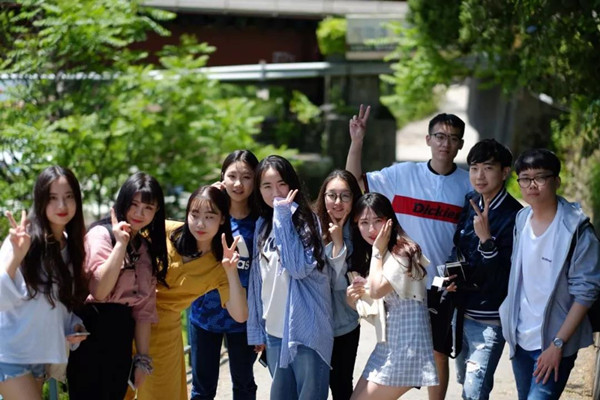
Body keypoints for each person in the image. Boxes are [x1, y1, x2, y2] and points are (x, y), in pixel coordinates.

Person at [346, 105, 472, 400]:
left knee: (438, 353)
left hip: (441, 284)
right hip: (403, 280)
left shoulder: (468, 184)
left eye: (453, 138)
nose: (445, 143)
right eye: (439, 136)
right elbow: (354, 183)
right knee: (396, 345)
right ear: (428, 140)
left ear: (460, 145)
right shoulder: (403, 174)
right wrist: (357, 142)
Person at [499, 148, 600, 399]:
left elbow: (586, 292)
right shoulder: (521, 219)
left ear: (556, 181)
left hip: (555, 343)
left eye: (540, 177)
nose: (532, 185)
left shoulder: (577, 229)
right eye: (525, 179)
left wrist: (558, 344)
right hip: (521, 339)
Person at [136, 185, 248, 400]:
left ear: (222, 219)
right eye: (194, 215)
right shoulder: (167, 230)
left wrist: (231, 271)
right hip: (128, 317)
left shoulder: (219, 263)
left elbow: (240, 314)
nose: (200, 224)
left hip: (164, 332)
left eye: (209, 216)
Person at [67, 172, 168, 400]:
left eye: (148, 208)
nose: (139, 213)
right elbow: (99, 291)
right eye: (134, 204)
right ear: (123, 201)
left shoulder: (144, 249)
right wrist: (120, 246)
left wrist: (142, 360)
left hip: (122, 337)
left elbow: (143, 311)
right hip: (90, 333)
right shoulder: (100, 235)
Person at [247, 155, 333, 400]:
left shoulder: (308, 222)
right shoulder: (262, 225)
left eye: (281, 184)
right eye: (267, 186)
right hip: (274, 332)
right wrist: (257, 330)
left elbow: (297, 268)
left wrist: (284, 216)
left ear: (292, 184)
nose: (275, 192)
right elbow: (257, 281)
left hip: (307, 330)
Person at [0, 166, 88, 400]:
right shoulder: (23, 239)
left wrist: (74, 326)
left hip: (39, 354)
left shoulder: (71, 247)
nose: (62, 205)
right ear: (40, 201)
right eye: (52, 198)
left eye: (68, 196)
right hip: (8, 353)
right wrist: (16, 256)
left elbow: (59, 305)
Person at [445, 139, 522, 399]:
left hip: (490, 318)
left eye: (488, 168)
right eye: (474, 168)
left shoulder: (515, 215)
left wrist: (487, 241)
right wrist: (449, 276)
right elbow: (459, 247)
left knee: (474, 391)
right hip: (461, 311)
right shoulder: (471, 201)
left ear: (505, 172)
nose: (479, 176)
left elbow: (507, 275)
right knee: (464, 381)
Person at [347, 192, 438, 399]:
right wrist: (353, 298)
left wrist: (377, 252)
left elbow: (377, 290)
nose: (371, 229)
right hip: (388, 347)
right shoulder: (381, 253)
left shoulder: (403, 252)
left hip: (406, 350)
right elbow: (378, 307)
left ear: (389, 220)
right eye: (364, 222)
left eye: (377, 220)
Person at [189, 150, 259, 400]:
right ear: (222, 178)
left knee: (244, 385)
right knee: (202, 389)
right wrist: (210, 194)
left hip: (243, 317)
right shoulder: (211, 214)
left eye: (246, 177)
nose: (238, 184)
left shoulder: (261, 220)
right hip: (204, 314)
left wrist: (260, 324)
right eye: (232, 176)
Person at [314, 169, 363, 400]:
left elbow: (339, 285)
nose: (337, 202)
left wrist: (338, 244)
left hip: (345, 324)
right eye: (331, 195)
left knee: (341, 384)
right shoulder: (310, 228)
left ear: (354, 199)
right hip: (314, 324)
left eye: (345, 196)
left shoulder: (361, 231)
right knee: (314, 386)